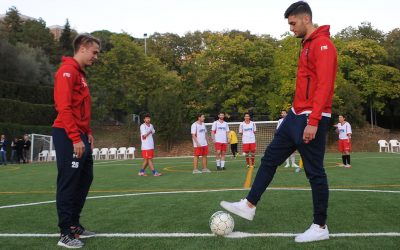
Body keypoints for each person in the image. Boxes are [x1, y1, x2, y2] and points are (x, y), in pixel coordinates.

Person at [220, 1, 337, 243]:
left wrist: (313, 121)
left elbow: (325, 85)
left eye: (293, 23)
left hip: (311, 118)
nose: (291, 28)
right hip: (295, 115)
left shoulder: (323, 45)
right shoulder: (305, 45)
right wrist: (297, 114)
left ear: (306, 19)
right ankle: (249, 204)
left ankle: (320, 226)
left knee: (315, 173)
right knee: (270, 158)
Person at [52, 33, 100, 248]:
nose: (96, 57)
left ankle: (74, 225)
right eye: (94, 52)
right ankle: (65, 233)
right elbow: (64, 107)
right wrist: (74, 137)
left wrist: (87, 131)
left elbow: (82, 108)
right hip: (66, 133)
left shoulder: (80, 75)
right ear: (82, 47)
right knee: (69, 182)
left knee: (85, 179)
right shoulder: (67, 72)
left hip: (79, 134)